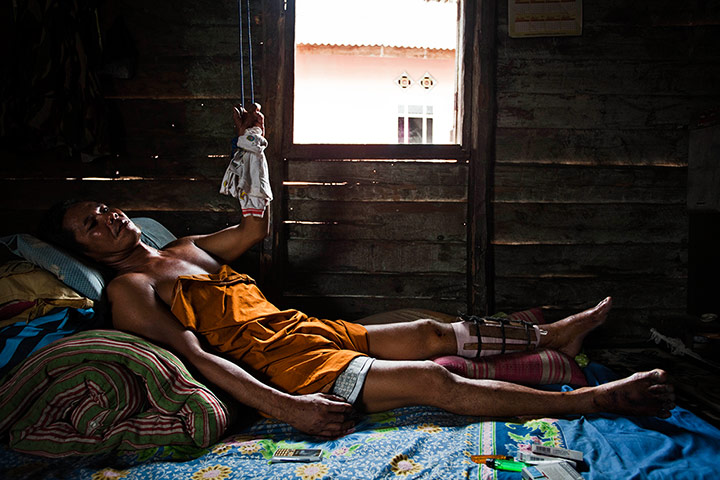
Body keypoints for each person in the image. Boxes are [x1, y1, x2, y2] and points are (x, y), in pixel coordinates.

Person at [43, 106, 675, 439]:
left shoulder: (181, 246)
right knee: (432, 377)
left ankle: (550, 338)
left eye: (105, 206)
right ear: (88, 251)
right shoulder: (131, 289)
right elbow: (199, 358)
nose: (107, 217)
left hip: (303, 330)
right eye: (91, 224)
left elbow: (255, 228)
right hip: (286, 366)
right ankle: (597, 399)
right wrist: (287, 409)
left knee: (428, 329)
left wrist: (252, 146)